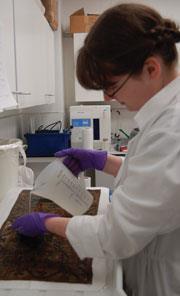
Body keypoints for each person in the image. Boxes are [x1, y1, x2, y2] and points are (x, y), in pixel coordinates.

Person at [12, 3, 180, 296]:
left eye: (111, 86)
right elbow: (152, 178)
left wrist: (48, 222)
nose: (108, 97)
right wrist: (102, 160)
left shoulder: (172, 130)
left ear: (151, 68)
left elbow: (116, 235)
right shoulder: (165, 117)